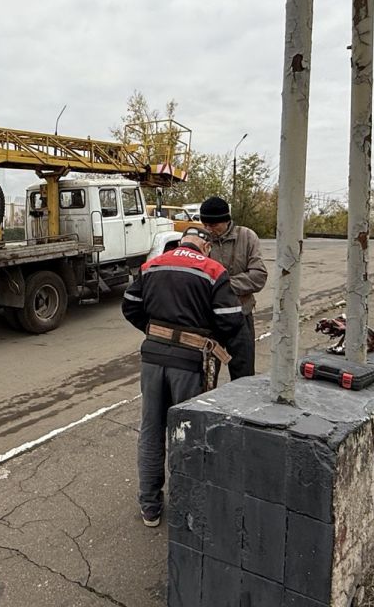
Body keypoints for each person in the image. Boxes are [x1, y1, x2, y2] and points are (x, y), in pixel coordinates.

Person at [122, 227, 245, 528]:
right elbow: (231, 320)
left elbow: (130, 306)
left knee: (151, 430)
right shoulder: (213, 270)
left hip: (152, 359)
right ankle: (185, 503)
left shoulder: (152, 265)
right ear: (204, 245)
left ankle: (150, 507)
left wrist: (159, 335)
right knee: (188, 433)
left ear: (181, 242)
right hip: (190, 364)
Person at [199, 196, 268, 379]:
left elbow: (258, 277)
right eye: (205, 224)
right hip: (209, 319)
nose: (209, 230)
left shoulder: (247, 237)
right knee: (205, 375)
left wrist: (220, 286)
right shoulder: (200, 240)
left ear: (227, 220)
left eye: (213, 225)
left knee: (243, 374)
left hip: (241, 316)